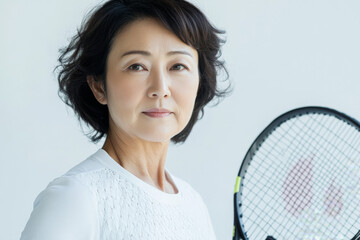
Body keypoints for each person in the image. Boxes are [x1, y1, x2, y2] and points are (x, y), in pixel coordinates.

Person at [21, 0, 230, 239]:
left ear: (200, 81)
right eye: (137, 66)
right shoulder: (75, 198)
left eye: (178, 66)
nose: (160, 88)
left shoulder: (193, 205)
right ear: (99, 86)